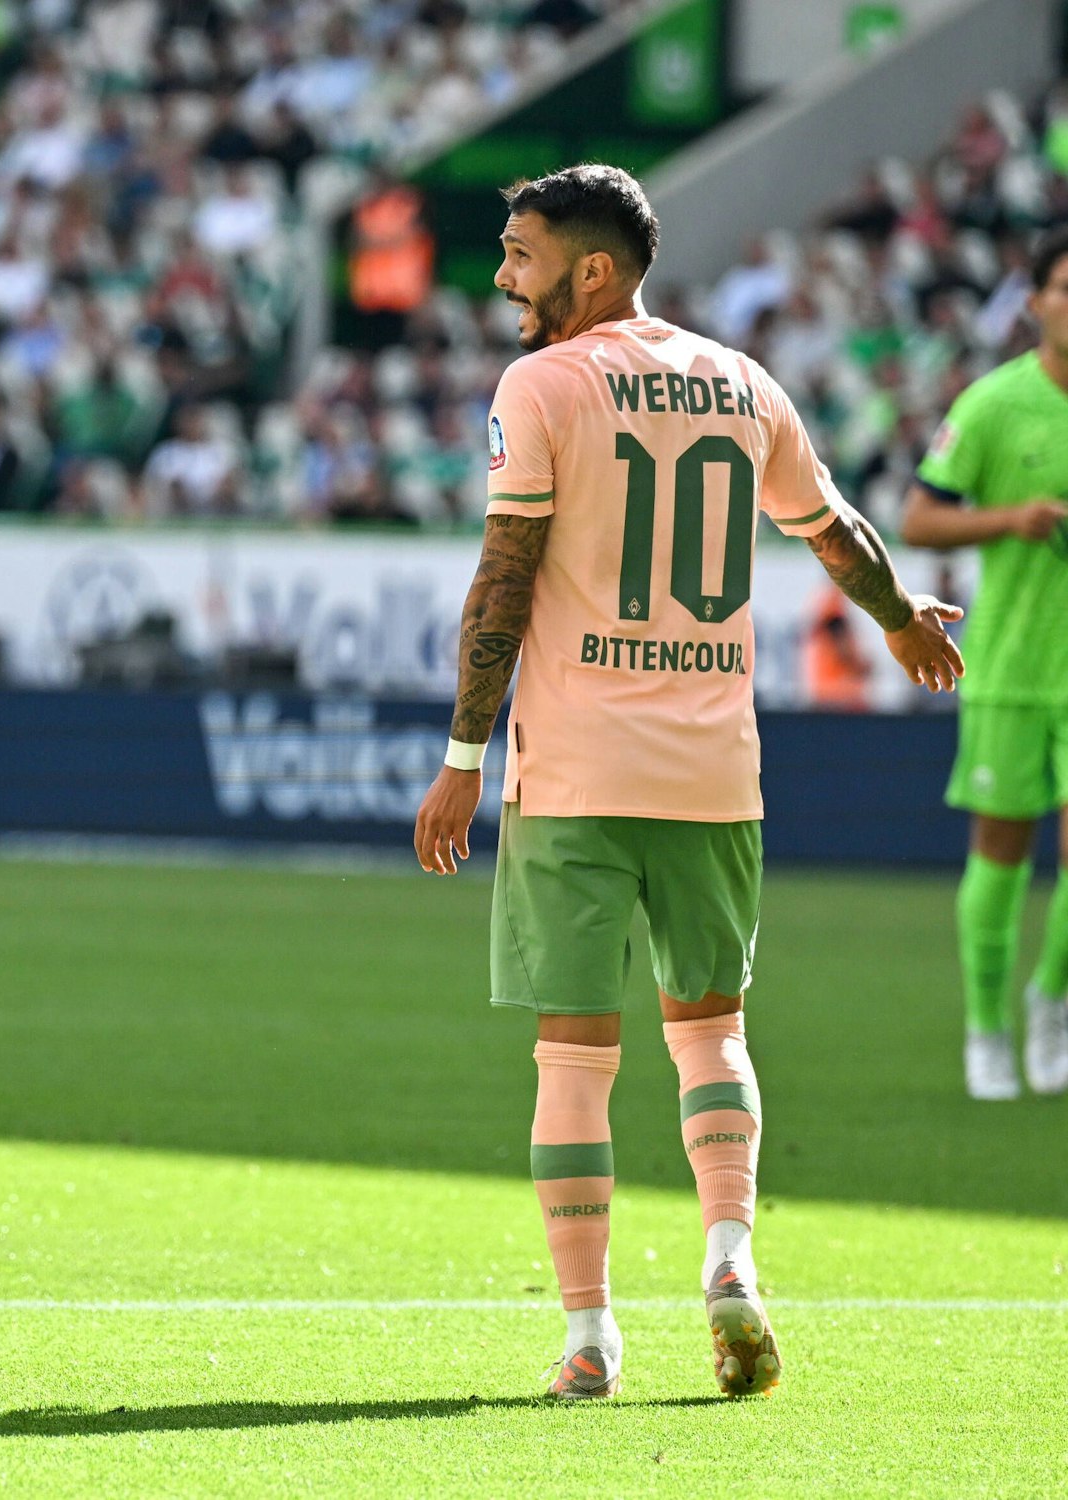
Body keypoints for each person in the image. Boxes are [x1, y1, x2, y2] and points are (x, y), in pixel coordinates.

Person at [412, 165, 964, 1402]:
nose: (502, 277)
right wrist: (896, 617)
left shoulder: (540, 385)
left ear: (591, 270)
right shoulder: (738, 381)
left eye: (520, 254)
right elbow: (834, 531)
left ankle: (590, 1338)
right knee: (710, 1030)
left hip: (574, 775)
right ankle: (727, 1259)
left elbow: (501, 585)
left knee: (573, 1057)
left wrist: (460, 758)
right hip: (713, 774)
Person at [899, 227, 1068, 1101]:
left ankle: (1051, 1002)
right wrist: (1012, 519)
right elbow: (917, 519)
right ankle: (986, 1030)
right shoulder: (995, 404)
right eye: (1064, 288)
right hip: (1010, 663)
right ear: (1035, 301)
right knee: (1001, 851)